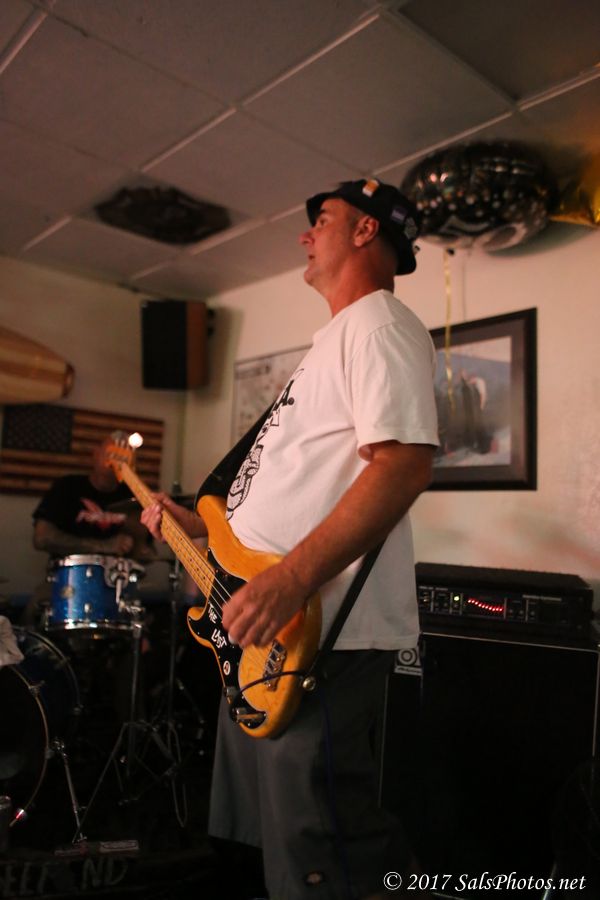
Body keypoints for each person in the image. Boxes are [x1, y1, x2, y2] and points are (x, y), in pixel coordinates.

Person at [141, 178, 439, 899]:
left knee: (322, 854)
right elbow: (288, 490)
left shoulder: (378, 324)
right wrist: (198, 529)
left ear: (366, 231)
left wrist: (291, 579)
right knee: (268, 849)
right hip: (262, 637)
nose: (305, 235)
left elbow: (403, 465)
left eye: (322, 221)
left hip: (318, 637)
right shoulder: (331, 343)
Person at [32, 436, 152, 561]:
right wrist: (104, 546)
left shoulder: (135, 495)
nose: (117, 461)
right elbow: (41, 539)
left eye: (125, 457)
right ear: (96, 454)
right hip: (71, 570)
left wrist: (139, 542)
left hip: (121, 571)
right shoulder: (67, 486)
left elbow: (146, 554)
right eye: (112, 453)